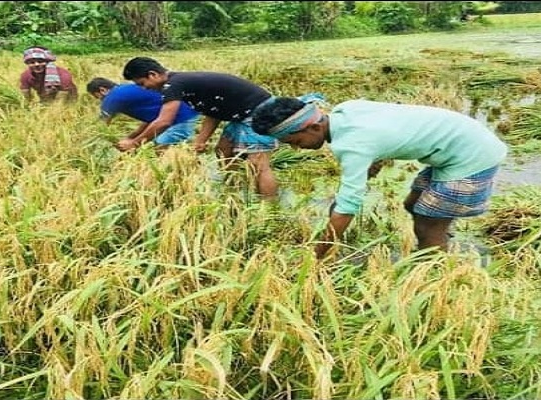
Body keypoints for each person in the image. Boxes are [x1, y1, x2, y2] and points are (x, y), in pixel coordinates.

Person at [250, 97, 508, 260]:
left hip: (472, 156)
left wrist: (315, 257)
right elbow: (389, 125)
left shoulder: (353, 145)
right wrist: (375, 159)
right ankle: (440, 242)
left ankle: (435, 273)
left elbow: (347, 207)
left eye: (296, 142)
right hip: (455, 144)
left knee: (427, 224)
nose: (297, 148)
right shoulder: (346, 110)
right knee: (412, 205)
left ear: (315, 127)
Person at [121, 56, 280, 200]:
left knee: (258, 165)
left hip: (261, 112)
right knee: (223, 150)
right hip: (242, 114)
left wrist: (135, 143)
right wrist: (200, 140)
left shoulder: (173, 85)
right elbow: (214, 111)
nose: (144, 88)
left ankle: (269, 210)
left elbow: (163, 121)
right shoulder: (182, 83)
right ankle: (235, 191)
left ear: (153, 74)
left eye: (142, 83)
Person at [86, 77, 200, 152]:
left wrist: (88, 143)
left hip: (180, 117)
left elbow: (101, 126)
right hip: (185, 112)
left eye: (97, 96)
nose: (99, 100)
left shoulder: (111, 98)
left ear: (103, 90)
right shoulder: (125, 89)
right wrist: (131, 137)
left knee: (161, 146)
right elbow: (151, 120)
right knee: (167, 147)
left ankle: (184, 174)